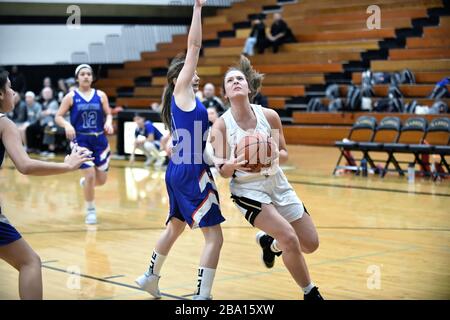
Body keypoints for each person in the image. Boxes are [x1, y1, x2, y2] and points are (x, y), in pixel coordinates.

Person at [210, 55, 324, 300]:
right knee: (289, 238)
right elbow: (221, 170)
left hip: (277, 183)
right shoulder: (221, 126)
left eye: (240, 78)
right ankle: (310, 293)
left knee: (310, 244)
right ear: (225, 93)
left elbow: (284, 154)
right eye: (230, 81)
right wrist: (231, 164)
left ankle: (269, 244)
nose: (236, 82)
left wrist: (269, 153)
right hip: (249, 191)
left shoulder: (269, 116)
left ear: (249, 88)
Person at [135, 0, 225, 300]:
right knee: (214, 237)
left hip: (180, 169)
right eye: (190, 68)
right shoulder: (182, 91)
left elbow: (199, 146)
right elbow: (195, 45)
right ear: (179, 78)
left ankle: (150, 277)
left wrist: (222, 162)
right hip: (190, 171)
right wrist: (198, 9)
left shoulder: (189, 102)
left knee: (174, 227)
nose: (195, 70)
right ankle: (203, 295)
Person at [0, 70, 93, 299]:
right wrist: (68, 166)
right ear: (0, 94)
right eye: (10, 87)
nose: (13, 92)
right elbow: (25, 165)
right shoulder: (5, 124)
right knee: (30, 262)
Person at [55, 64, 114, 225]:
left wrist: (109, 122)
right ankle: (90, 210)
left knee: (101, 181)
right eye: (82, 74)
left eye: (89, 74)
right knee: (89, 175)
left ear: (92, 77)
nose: (86, 76)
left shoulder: (100, 95)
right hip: (81, 141)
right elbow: (58, 116)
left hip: (100, 140)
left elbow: (108, 113)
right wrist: (67, 125)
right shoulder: (71, 96)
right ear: (77, 78)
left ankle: (87, 184)